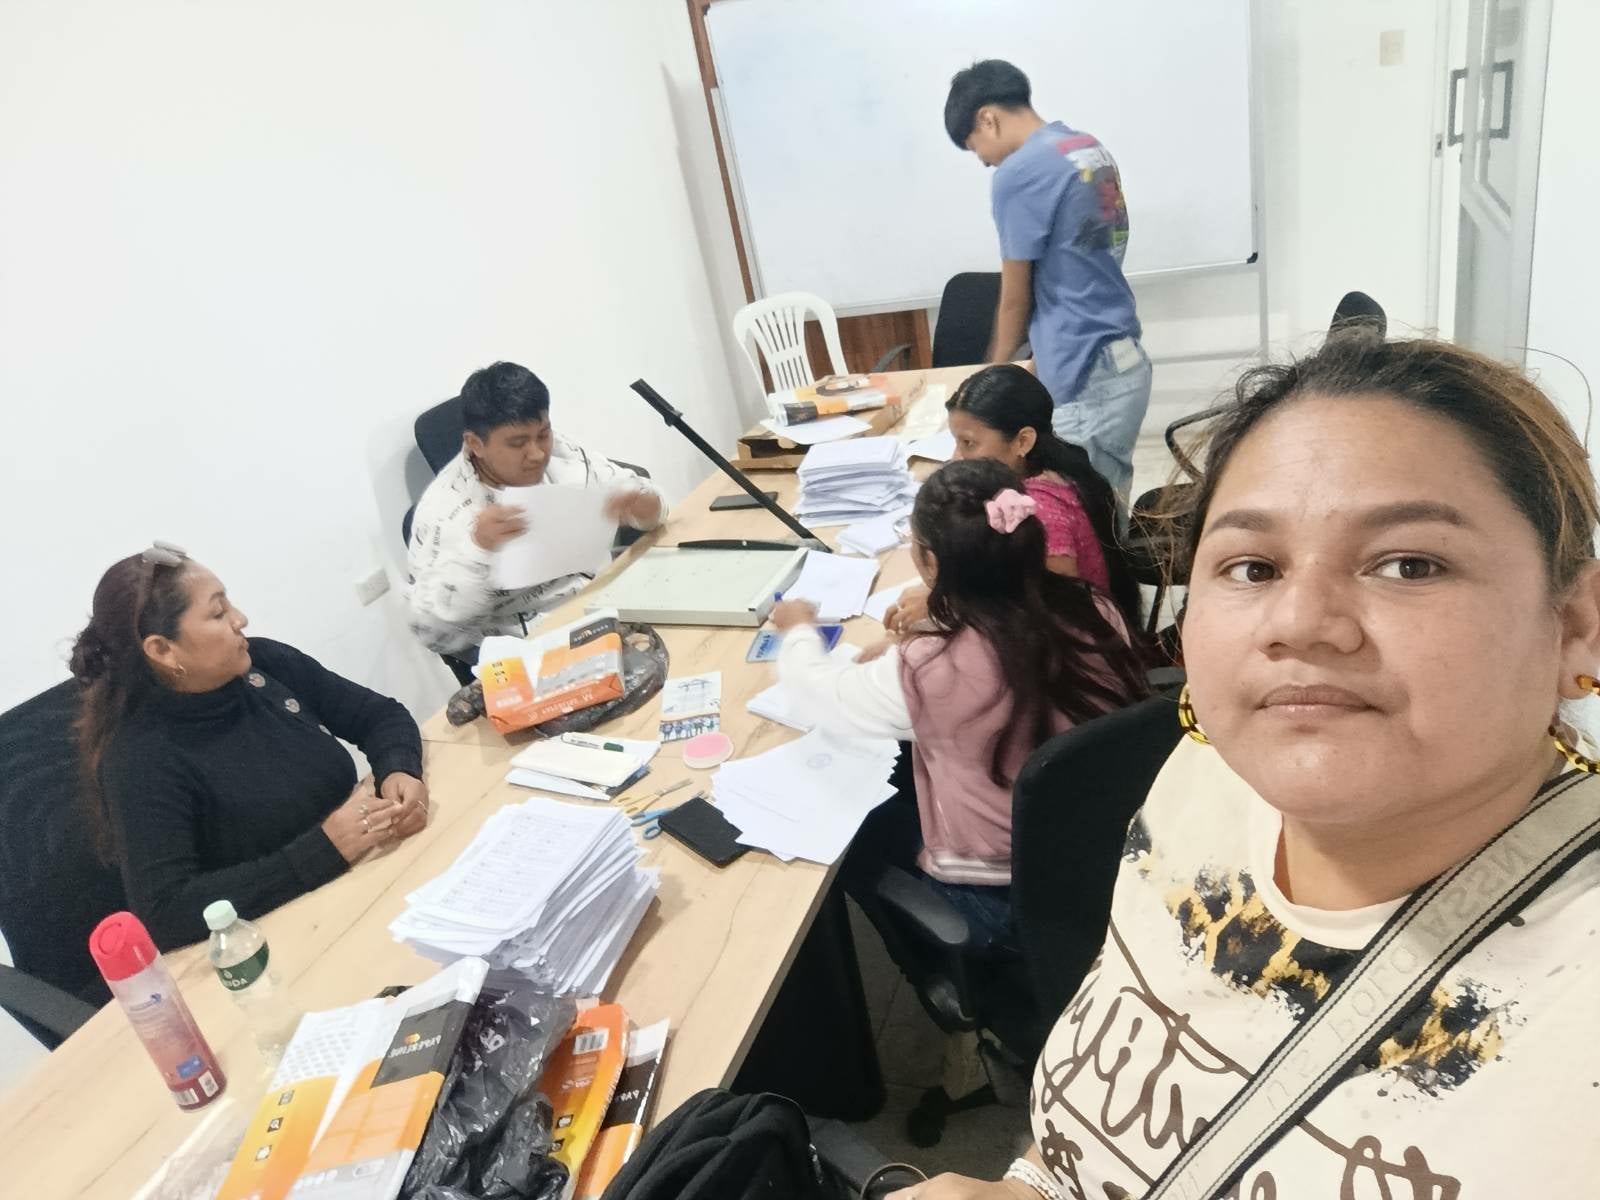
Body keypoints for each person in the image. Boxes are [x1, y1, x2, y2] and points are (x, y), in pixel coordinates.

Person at [891, 334, 1600, 1198]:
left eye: (1408, 564)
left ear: (1577, 626)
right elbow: (1100, 1133)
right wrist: (1023, 1188)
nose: (1298, 622)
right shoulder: (1209, 778)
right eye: (1253, 567)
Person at [771, 459, 1147, 959]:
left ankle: (930, 962)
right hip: (1108, 848)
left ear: (928, 560)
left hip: (1003, 889)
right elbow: (1011, 635)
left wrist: (797, 627)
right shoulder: (1095, 608)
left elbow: (816, 690)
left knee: (853, 829)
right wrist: (934, 619)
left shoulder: (930, 669)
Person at [71, 545, 429, 950]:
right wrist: (324, 850)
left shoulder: (263, 664)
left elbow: (380, 716)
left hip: (372, 880)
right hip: (288, 937)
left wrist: (399, 769)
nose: (241, 619)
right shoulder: (140, 759)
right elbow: (166, 911)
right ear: (162, 650)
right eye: (218, 613)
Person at [944, 59, 1150, 498]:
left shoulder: (1019, 172)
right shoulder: (1086, 147)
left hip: (1084, 370)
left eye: (975, 146)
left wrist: (989, 387)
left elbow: (1015, 297)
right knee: (1108, 503)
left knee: (1081, 517)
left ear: (988, 118)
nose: (983, 160)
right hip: (1121, 357)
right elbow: (1078, 267)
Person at [406, 361, 663, 660]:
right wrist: (478, 549)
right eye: (517, 443)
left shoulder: (561, 452)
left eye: (543, 434)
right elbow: (431, 632)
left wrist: (645, 507)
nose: (538, 453)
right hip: (539, 649)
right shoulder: (443, 512)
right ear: (476, 444)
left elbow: (643, 500)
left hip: (614, 605)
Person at [886, 364, 1143, 639]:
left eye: (968, 443)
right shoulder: (1039, 475)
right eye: (955, 442)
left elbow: (1047, 615)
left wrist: (945, 601)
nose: (955, 458)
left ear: (1023, 441)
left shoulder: (1039, 516)